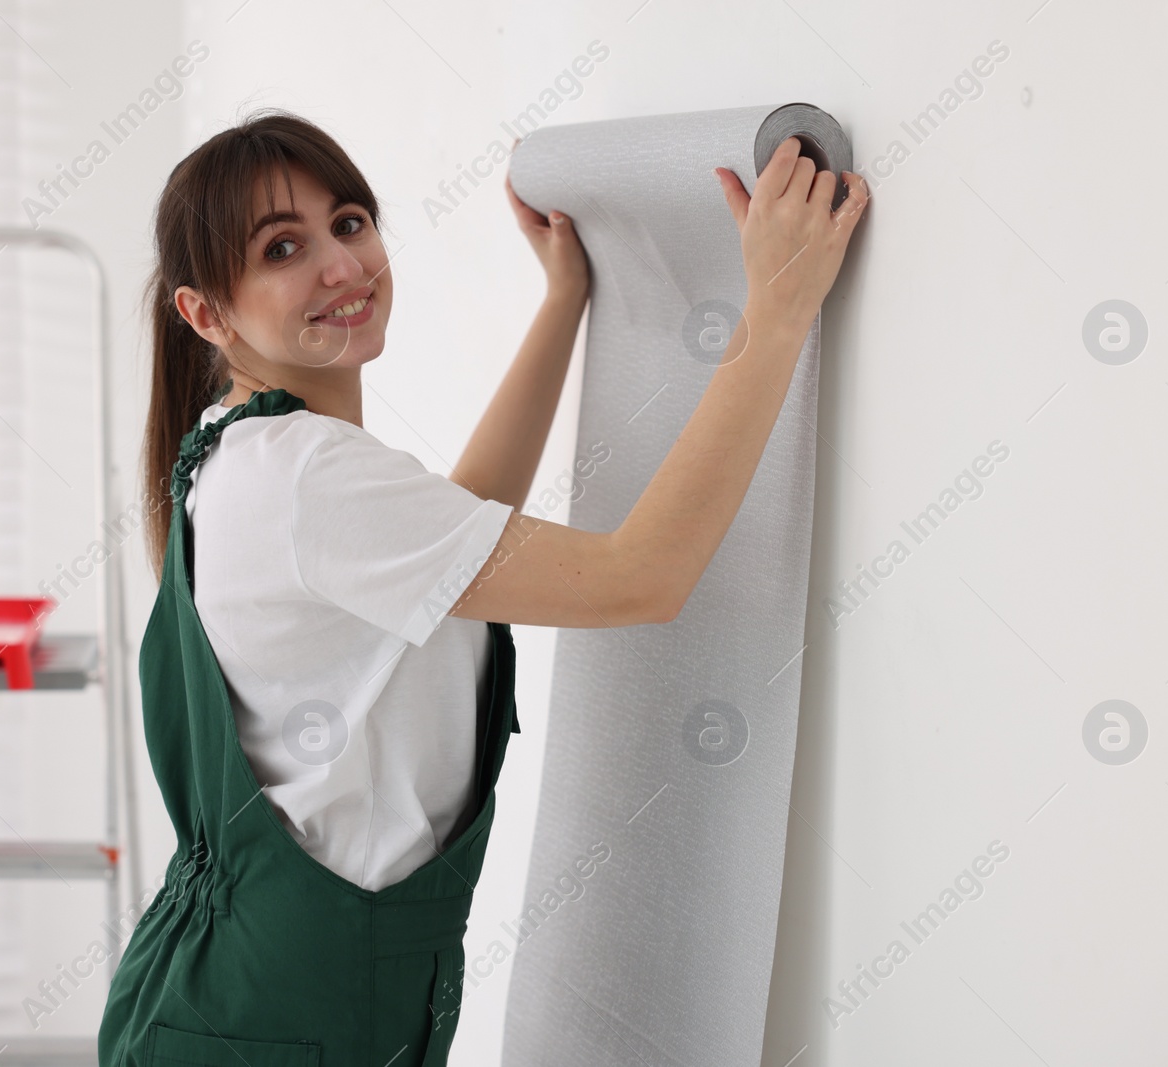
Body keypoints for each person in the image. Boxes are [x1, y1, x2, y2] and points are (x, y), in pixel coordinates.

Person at [98, 108, 868, 1066]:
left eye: (348, 222)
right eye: (282, 248)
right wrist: (779, 310)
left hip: (243, 995)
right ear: (205, 313)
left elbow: (458, 538)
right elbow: (644, 576)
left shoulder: (249, 450)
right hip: (276, 1018)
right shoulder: (306, 477)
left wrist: (565, 301)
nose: (342, 266)